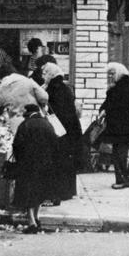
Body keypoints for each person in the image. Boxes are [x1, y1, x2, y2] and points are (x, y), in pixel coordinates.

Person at [11, 104, 58, 234]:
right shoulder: (47, 124)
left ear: (27, 113)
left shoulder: (25, 125)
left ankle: (31, 222)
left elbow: (17, 145)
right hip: (45, 164)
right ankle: (37, 219)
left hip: (28, 164)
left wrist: (20, 160)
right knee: (40, 192)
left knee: (28, 193)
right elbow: (55, 142)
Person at [41, 62, 81, 204]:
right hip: (70, 129)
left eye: (45, 73)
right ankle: (68, 191)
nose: (43, 76)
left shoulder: (52, 89)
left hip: (58, 130)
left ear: (51, 75)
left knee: (57, 161)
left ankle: (58, 193)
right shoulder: (65, 88)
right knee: (67, 161)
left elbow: (52, 110)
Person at [98, 62, 129, 190]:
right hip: (120, 126)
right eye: (109, 74)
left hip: (122, 127)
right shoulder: (121, 86)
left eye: (113, 73)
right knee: (118, 154)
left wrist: (105, 109)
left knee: (119, 154)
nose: (110, 76)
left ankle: (123, 179)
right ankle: (121, 178)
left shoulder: (123, 87)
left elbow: (116, 104)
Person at [0, 63, 49, 135]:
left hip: (17, 122)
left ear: (0, 77)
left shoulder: (4, 85)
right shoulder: (28, 80)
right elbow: (44, 97)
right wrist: (42, 105)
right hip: (36, 117)